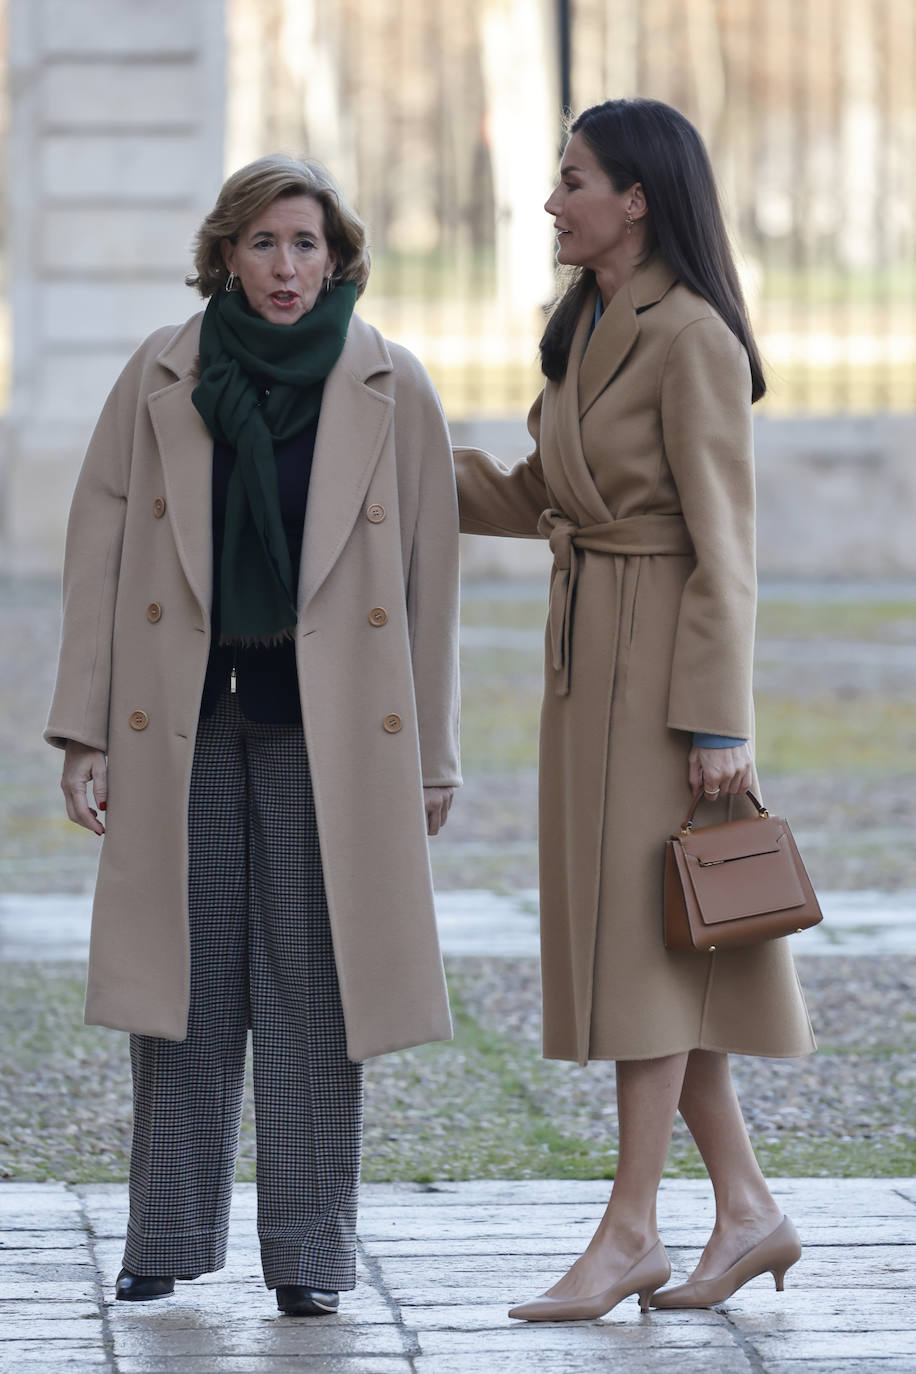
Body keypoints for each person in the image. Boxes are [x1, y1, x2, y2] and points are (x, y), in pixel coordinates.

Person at [45, 154, 461, 1316]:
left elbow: (431, 585)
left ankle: (310, 1261)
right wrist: (84, 732)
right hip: (180, 721)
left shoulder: (390, 385)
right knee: (179, 986)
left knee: (317, 998)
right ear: (225, 253)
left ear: (340, 260)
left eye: (308, 246)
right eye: (266, 244)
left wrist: (431, 755)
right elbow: (98, 558)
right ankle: (164, 1236)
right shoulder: (162, 374)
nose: (287, 269)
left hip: (333, 736)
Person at [454, 98, 815, 1322]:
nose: (552, 201)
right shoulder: (588, 321)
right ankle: (748, 1213)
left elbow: (729, 545)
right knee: (663, 954)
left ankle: (628, 1229)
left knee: (650, 958)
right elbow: (537, 493)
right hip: (584, 668)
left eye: (571, 180)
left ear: (635, 198)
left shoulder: (692, 336)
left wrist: (719, 718)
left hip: (663, 682)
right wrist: (384, 453)